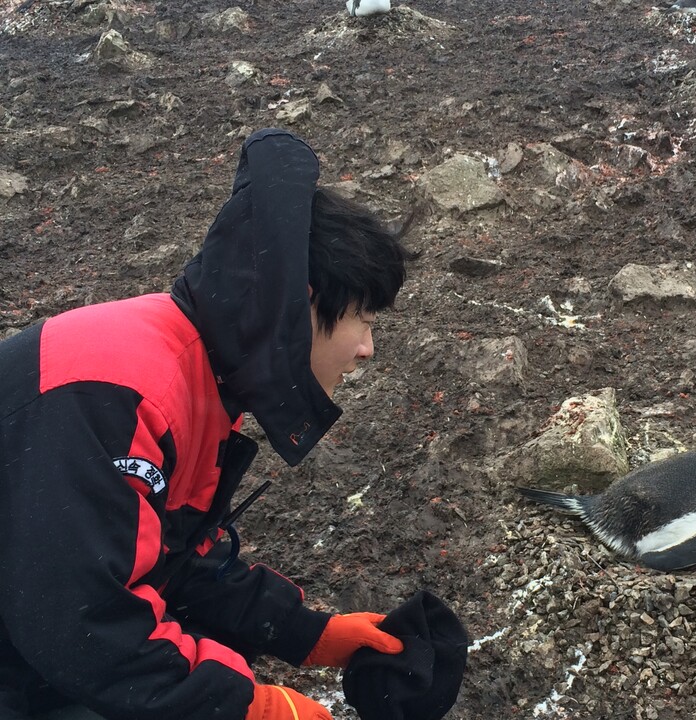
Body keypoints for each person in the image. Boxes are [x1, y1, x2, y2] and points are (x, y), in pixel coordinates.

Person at [0, 128, 416, 719]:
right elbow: (82, 627)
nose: (367, 348)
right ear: (299, 307)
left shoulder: (199, 374)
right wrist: (254, 710)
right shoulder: (122, 392)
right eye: (363, 320)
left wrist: (307, 634)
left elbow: (169, 558)